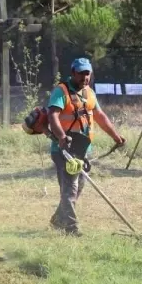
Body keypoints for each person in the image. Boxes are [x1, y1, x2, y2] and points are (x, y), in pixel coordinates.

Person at [46, 57, 126, 236]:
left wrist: (116, 136)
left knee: (77, 187)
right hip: (63, 150)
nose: (85, 77)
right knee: (70, 189)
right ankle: (71, 228)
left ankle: (58, 220)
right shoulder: (61, 91)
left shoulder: (89, 93)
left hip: (83, 150)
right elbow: (53, 116)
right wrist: (61, 136)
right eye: (81, 73)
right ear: (73, 72)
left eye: (87, 73)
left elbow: (100, 116)